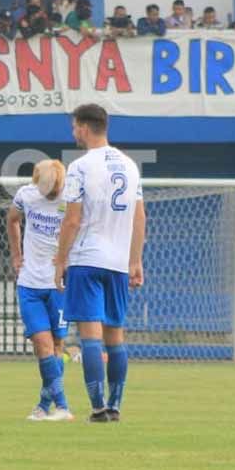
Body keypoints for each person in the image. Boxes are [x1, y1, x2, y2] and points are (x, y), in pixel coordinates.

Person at [53, 104, 146, 422]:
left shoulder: (79, 167)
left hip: (87, 258)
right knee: (115, 336)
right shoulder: (130, 166)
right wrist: (135, 260)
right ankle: (116, 405)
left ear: (82, 127)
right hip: (118, 262)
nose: (73, 132)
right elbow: (139, 216)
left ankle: (98, 407)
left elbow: (72, 218)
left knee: (90, 336)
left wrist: (60, 259)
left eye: (73, 127)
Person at [7, 159, 73, 422]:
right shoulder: (26, 195)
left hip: (59, 284)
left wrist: (67, 258)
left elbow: (81, 227)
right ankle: (63, 406)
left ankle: (44, 405)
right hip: (30, 283)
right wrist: (16, 254)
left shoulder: (72, 198)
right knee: (43, 345)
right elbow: (12, 219)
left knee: (56, 345)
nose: (52, 194)